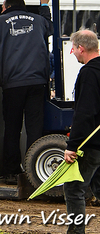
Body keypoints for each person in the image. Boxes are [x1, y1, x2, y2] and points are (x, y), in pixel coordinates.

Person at [0, 0, 53, 185]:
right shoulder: (37, 20)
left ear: (5, 7)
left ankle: (12, 172)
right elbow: (50, 28)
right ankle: (35, 172)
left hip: (13, 84)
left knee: (12, 129)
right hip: (38, 82)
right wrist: (44, 5)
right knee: (34, 129)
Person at [63, 30, 100, 234]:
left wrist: (72, 146)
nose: (72, 52)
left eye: (73, 48)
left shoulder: (88, 73)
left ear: (81, 48)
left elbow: (85, 113)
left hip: (93, 144)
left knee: (74, 188)